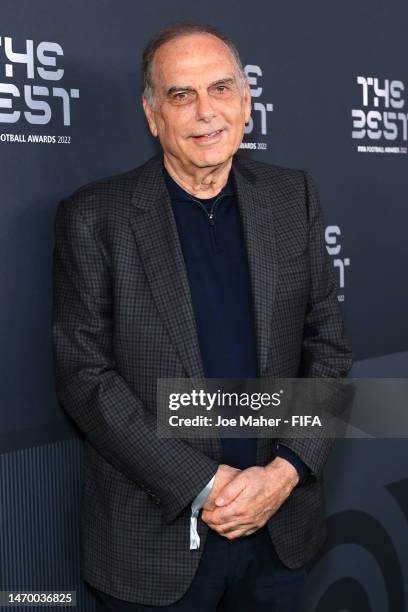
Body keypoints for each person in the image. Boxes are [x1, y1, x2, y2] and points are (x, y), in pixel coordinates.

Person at [52, 20, 352, 612]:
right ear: (152, 114)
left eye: (220, 89)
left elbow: (330, 350)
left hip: (281, 534)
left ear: (246, 102)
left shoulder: (296, 199)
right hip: (151, 545)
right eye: (180, 95)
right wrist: (204, 483)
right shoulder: (94, 217)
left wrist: (287, 472)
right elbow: (85, 378)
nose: (204, 112)